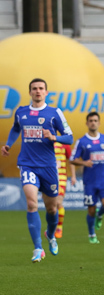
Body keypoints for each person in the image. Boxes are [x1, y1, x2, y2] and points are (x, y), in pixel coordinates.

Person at [1, 78, 73, 262]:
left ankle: (50, 235)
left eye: (41, 88)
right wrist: (8, 144)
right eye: (34, 89)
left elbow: (69, 138)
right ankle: (38, 248)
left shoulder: (54, 113)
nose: (38, 91)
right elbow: (15, 128)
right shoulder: (21, 112)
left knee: (52, 208)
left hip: (48, 167)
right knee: (32, 204)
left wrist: (54, 137)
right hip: (27, 164)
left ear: (46, 92)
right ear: (30, 92)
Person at [70, 112, 104, 244]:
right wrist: (84, 163)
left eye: (95, 120)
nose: (93, 122)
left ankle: (100, 214)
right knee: (91, 210)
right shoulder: (81, 141)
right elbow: (72, 160)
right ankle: (91, 234)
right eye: (90, 120)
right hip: (89, 182)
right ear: (87, 123)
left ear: (99, 123)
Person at [54, 142, 77, 238]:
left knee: (58, 202)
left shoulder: (64, 144)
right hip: (48, 177)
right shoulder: (45, 142)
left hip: (61, 177)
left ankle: (59, 227)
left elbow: (71, 160)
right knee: (51, 205)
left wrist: (73, 176)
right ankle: (52, 226)